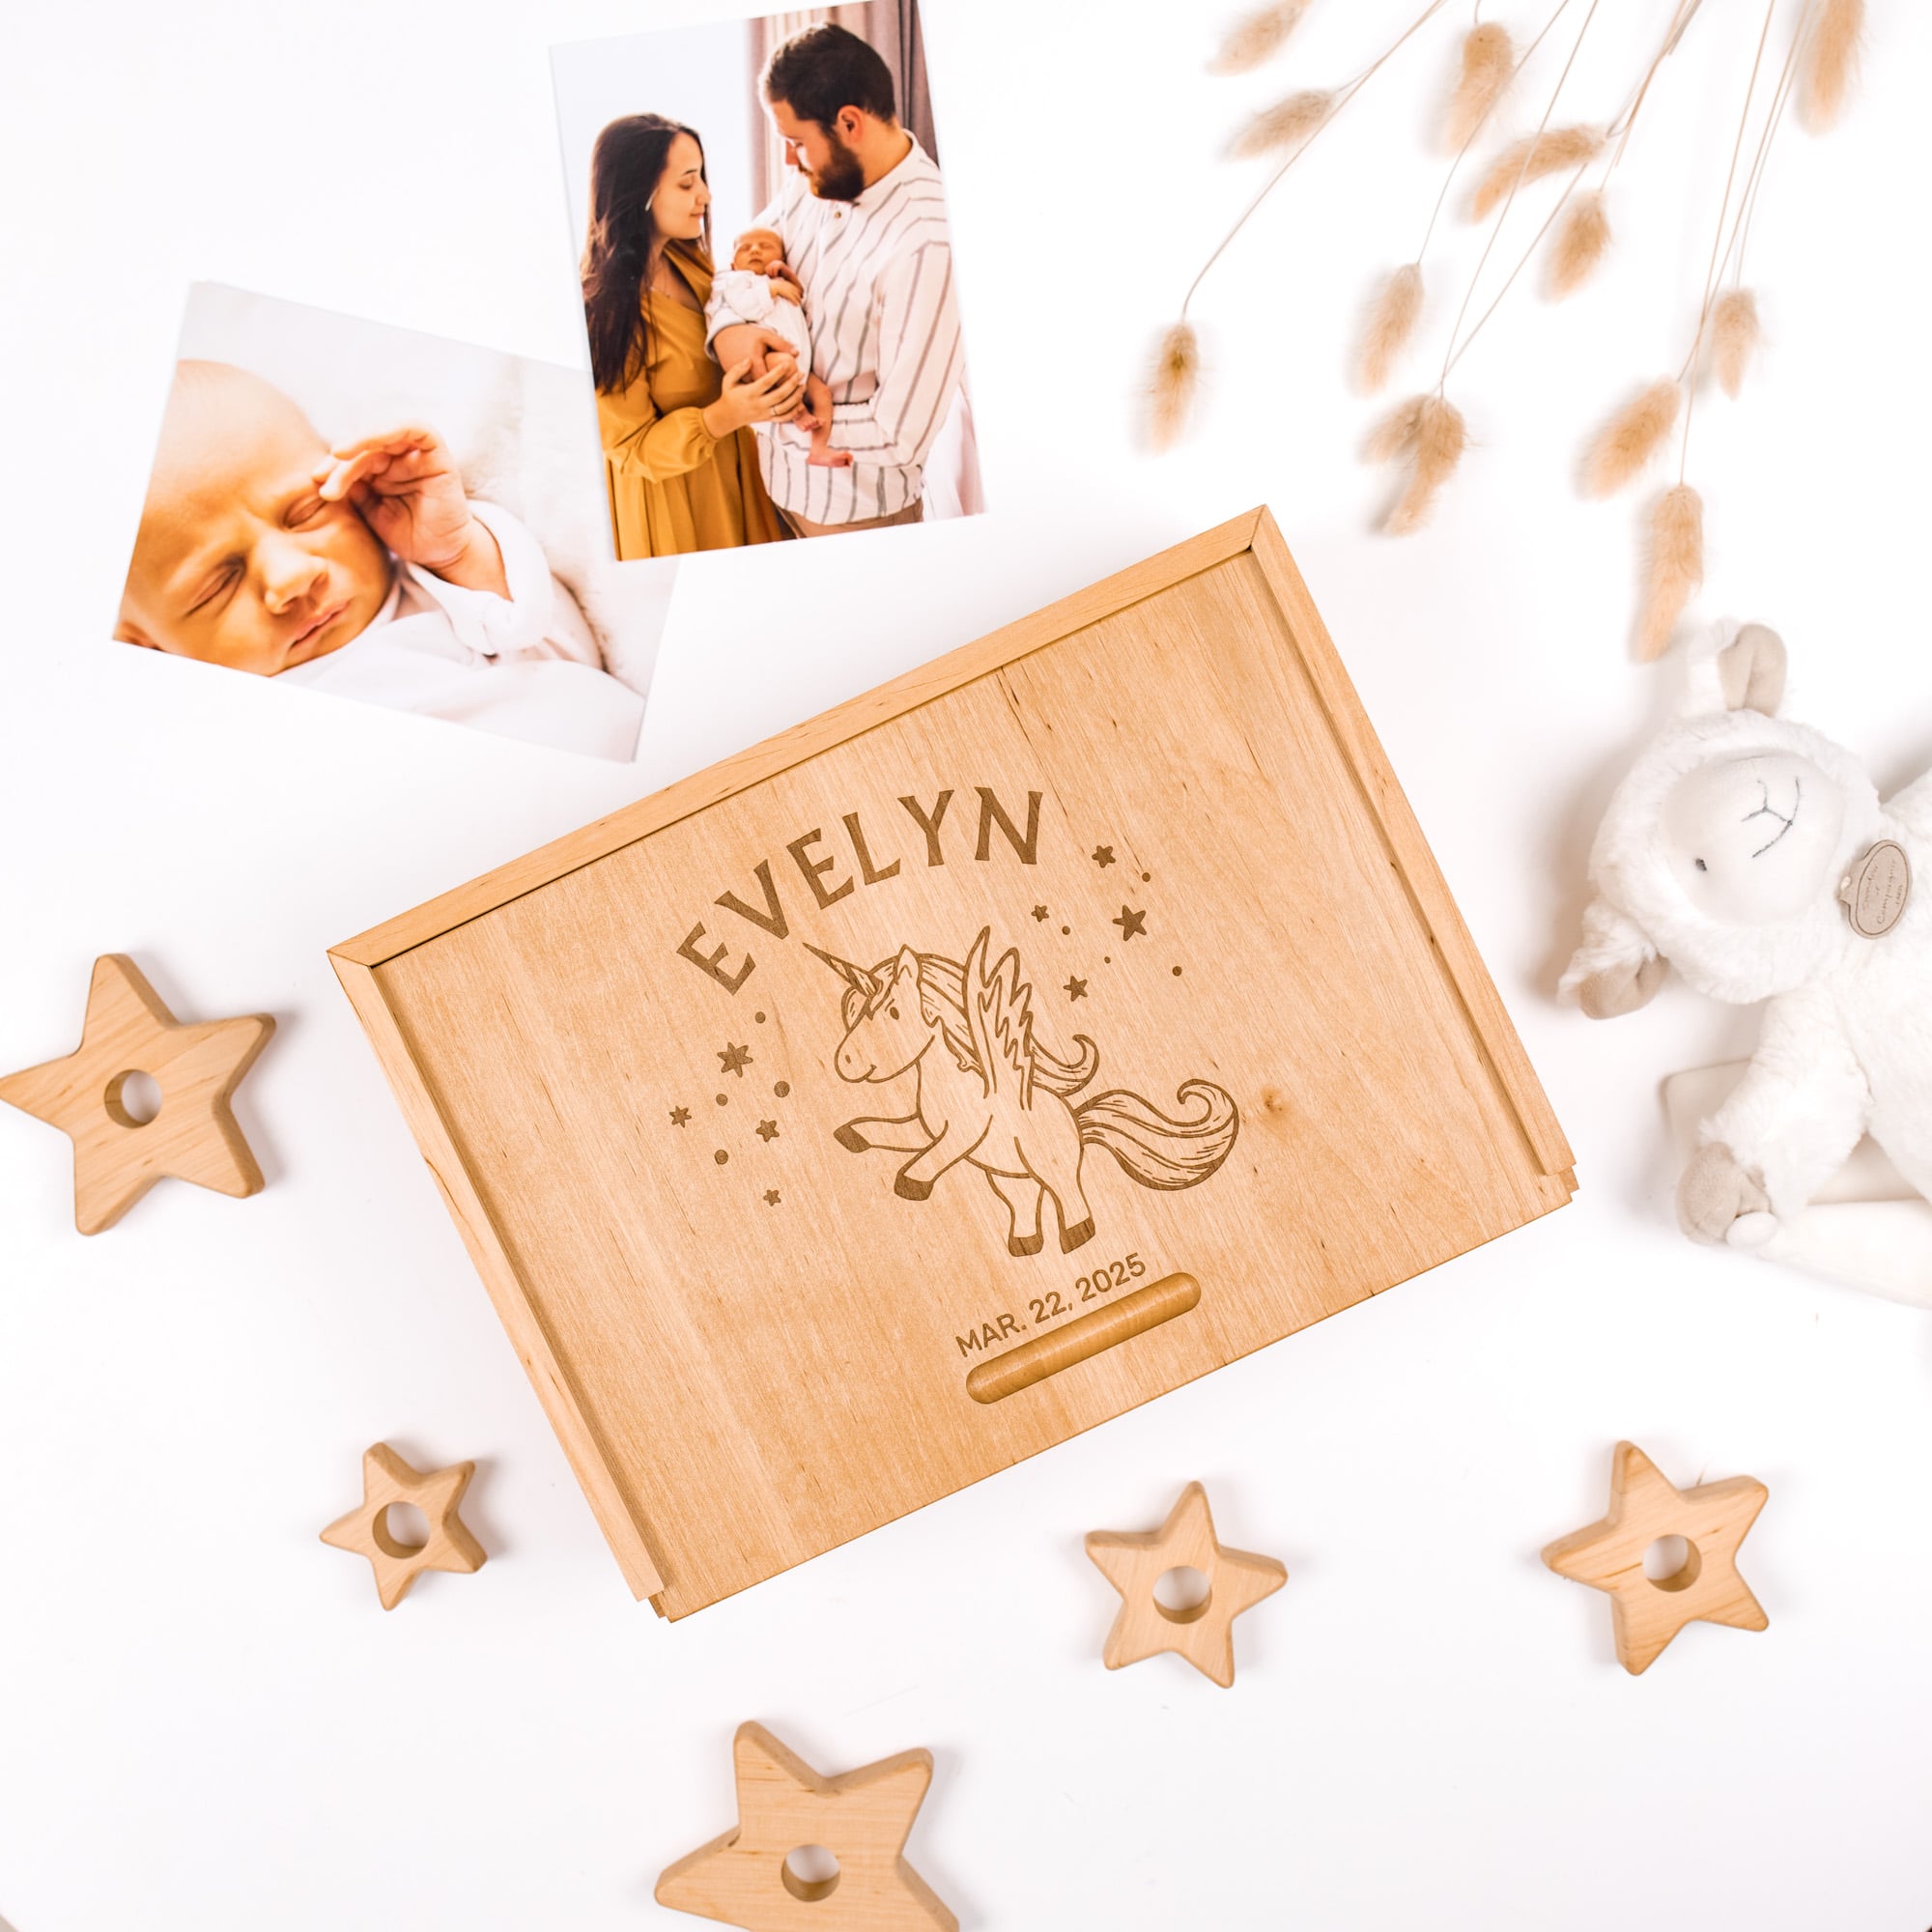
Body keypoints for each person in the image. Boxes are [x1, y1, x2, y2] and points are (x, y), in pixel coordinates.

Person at [114, 360, 645, 761]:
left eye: (305, 512)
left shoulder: (439, 590)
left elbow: (572, 661)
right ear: (146, 647)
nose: (293, 576)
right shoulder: (219, 733)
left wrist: (458, 550)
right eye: (215, 586)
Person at [753, 23, 965, 536]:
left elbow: (901, 435)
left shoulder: (929, 240)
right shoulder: (817, 176)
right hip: (779, 493)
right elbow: (759, 239)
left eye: (795, 142)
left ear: (849, 123)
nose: (787, 160)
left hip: (856, 520)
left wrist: (772, 413)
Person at [581, 115, 804, 559]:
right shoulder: (607, 311)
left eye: (700, 177)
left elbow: (732, 316)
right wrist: (722, 414)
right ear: (639, 192)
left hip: (733, 475)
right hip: (675, 508)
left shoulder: (691, 263)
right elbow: (631, 449)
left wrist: (767, 285)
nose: (705, 194)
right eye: (687, 183)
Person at [706, 227, 849, 469]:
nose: (754, 250)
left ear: (781, 258)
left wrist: (786, 277)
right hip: (769, 357)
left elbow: (799, 299)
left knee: (823, 394)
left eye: (765, 246)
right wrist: (770, 289)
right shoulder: (735, 281)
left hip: (799, 361)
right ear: (732, 263)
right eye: (745, 248)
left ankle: (819, 448)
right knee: (783, 367)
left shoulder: (779, 281)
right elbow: (744, 306)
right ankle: (798, 412)